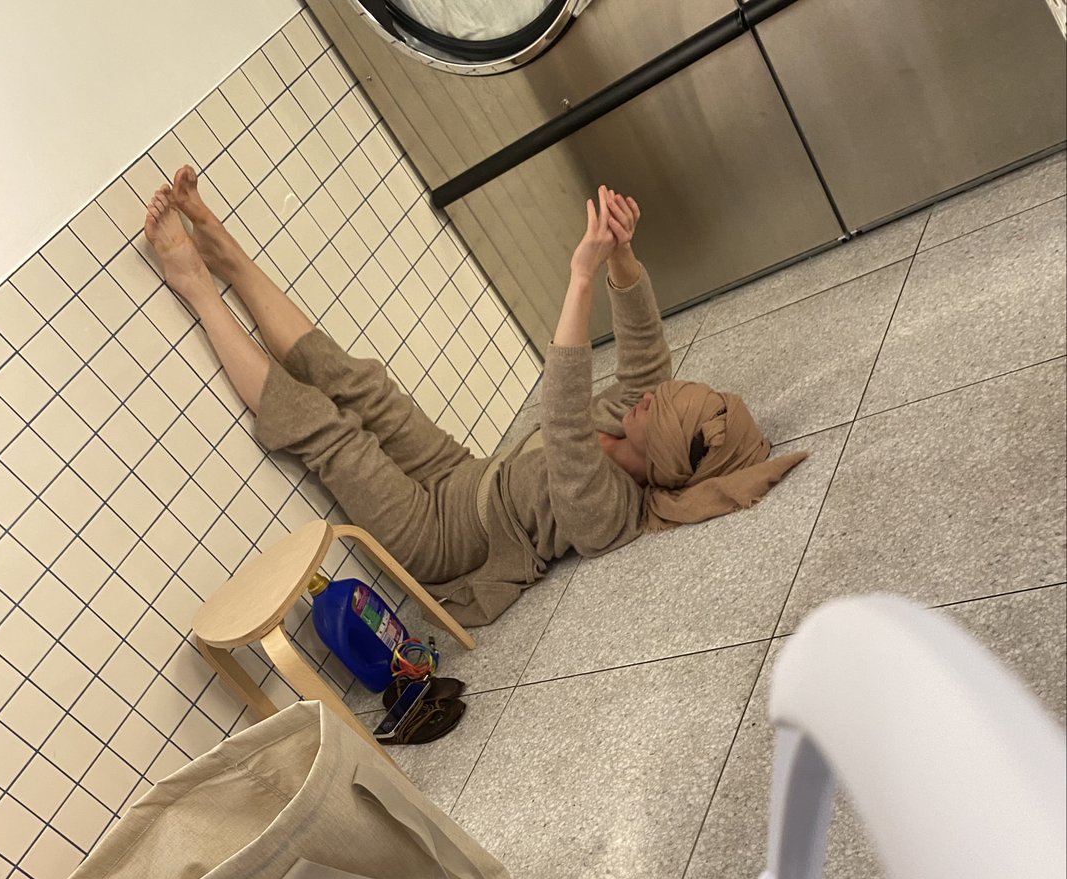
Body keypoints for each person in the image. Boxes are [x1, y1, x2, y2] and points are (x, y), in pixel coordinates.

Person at [145, 169, 807, 627]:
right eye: (661, 397)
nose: (649, 399)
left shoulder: (609, 511)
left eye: (657, 411)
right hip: (461, 473)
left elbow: (563, 414)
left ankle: (198, 286)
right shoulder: (634, 419)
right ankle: (232, 258)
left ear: (661, 458)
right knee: (362, 386)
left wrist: (580, 276)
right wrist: (620, 257)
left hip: (440, 538)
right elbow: (642, 341)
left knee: (328, 431)